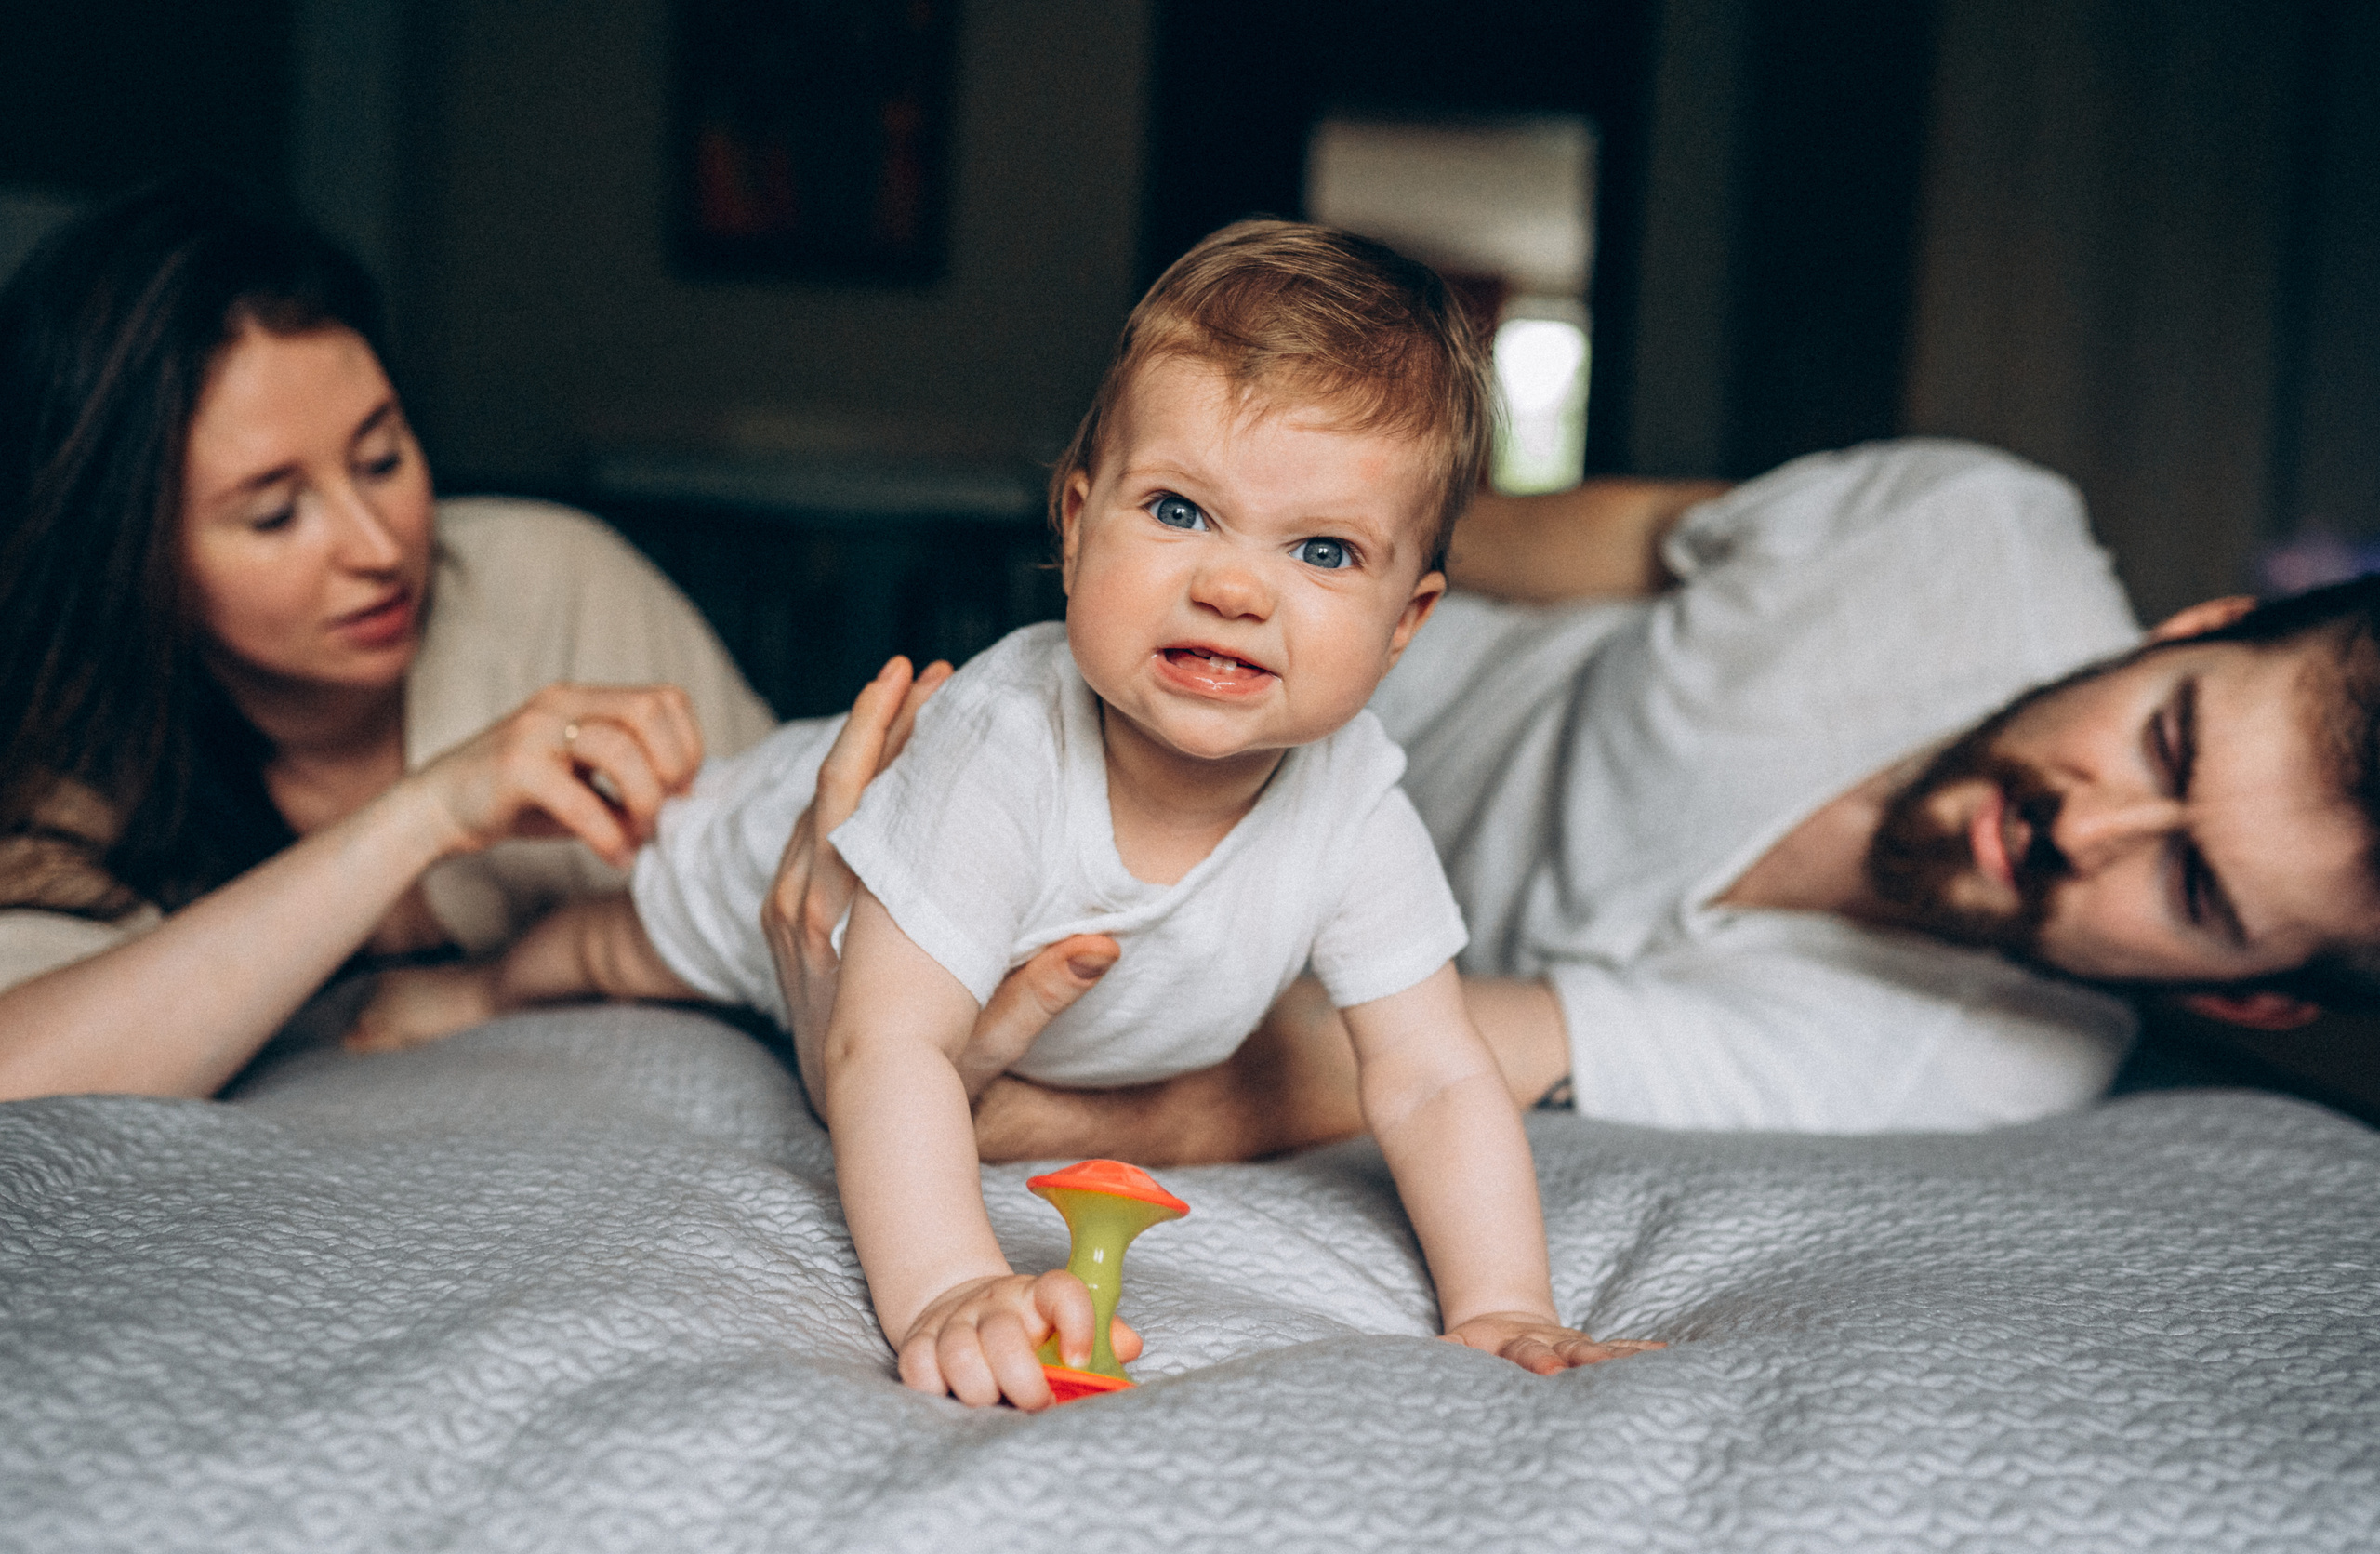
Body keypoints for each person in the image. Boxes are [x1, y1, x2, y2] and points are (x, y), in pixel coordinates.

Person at [416, 220, 1661, 1409]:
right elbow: (887, 1046)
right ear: (1075, 526)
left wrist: (1504, 1302)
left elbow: (1437, 1076)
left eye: (1323, 551)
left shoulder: (1353, 798)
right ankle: (479, 984)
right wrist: (950, 1285)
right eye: (1178, 510)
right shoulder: (1003, 747)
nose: (1233, 587)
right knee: (625, 935)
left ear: (1406, 623)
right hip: (782, 848)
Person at [937, 436, 2380, 1164]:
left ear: (2247, 994)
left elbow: (1406, 1052)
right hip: (1161, 684)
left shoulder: (1984, 1066)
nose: (2090, 824)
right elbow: (1601, 535)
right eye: (2168, 743)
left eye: (2191, 887)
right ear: (2196, 630)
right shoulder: (1972, 523)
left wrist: (962, 1088)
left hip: (1189, 919)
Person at [0, 174, 775, 1101]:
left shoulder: (555, 585)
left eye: (381, 458)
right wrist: (423, 817)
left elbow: (803, 887)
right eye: (275, 514)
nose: (378, 548)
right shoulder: (71, 764)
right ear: (129, 553)